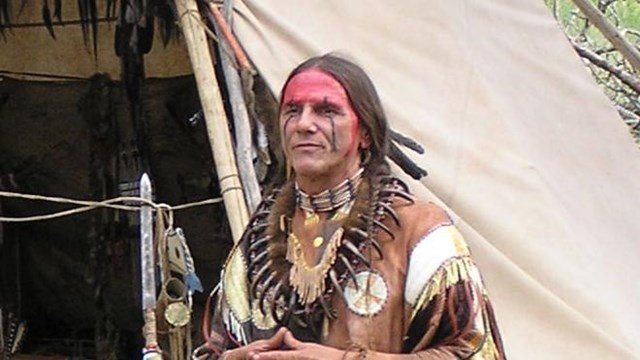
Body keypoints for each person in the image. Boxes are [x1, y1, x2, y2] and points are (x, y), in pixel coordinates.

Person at [194, 54, 506, 359]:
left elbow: (473, 352)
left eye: (326, 110)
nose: (304, 124)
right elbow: (216, 349)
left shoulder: (418, 232)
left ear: (365, 133)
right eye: (292, 110)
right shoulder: (259, 240)